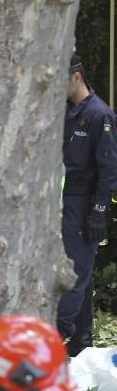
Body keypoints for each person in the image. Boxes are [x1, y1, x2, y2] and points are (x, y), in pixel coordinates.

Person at [57, 54, 117, 356]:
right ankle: (82, 345)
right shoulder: (66, 111)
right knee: (83, 271)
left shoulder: (99, 115)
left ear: (77, 76)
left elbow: (109, 171)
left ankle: (55, 337)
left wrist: (99, 211)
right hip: (64, 202)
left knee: (75, 273)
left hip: (83, 206)